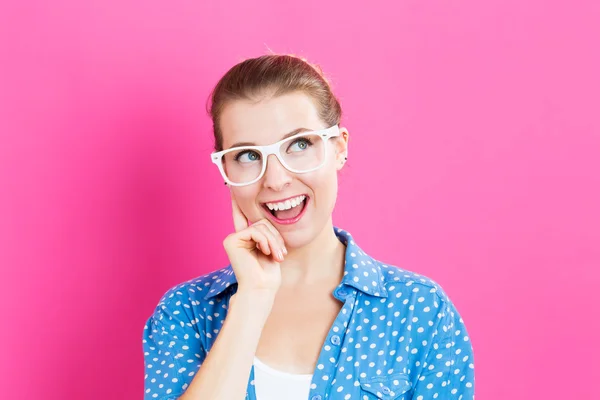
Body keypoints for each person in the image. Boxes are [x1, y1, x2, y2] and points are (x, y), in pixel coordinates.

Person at [142, 54, 475, 400]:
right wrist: (252, 299)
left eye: (299, 145)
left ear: (339, 148)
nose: (276, 179)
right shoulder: (185, 313)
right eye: (247, 155)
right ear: (225, 170)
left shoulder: (419, 310)